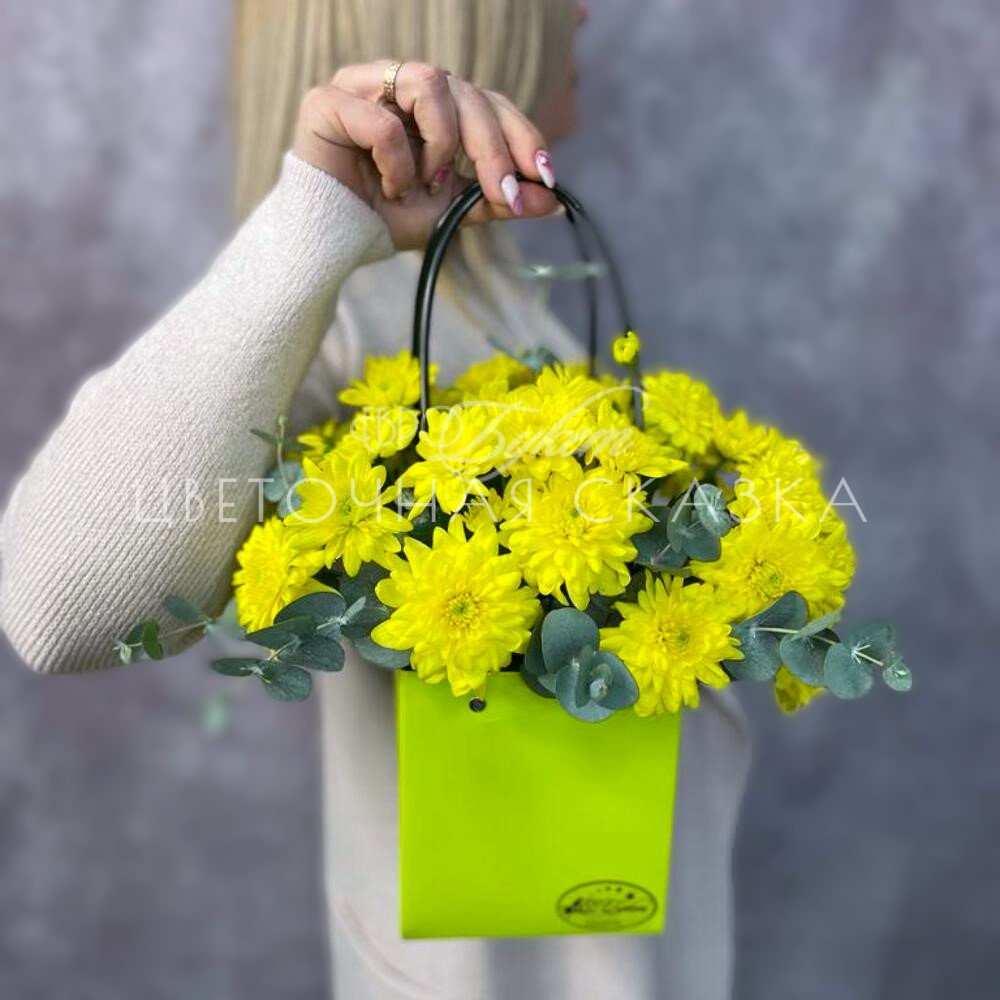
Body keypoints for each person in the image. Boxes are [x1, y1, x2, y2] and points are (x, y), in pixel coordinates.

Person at [0, 1, 750, 997]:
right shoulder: (343, 319)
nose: (582, 9)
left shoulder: (497, 300)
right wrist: (317, 223)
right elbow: (58, 606)